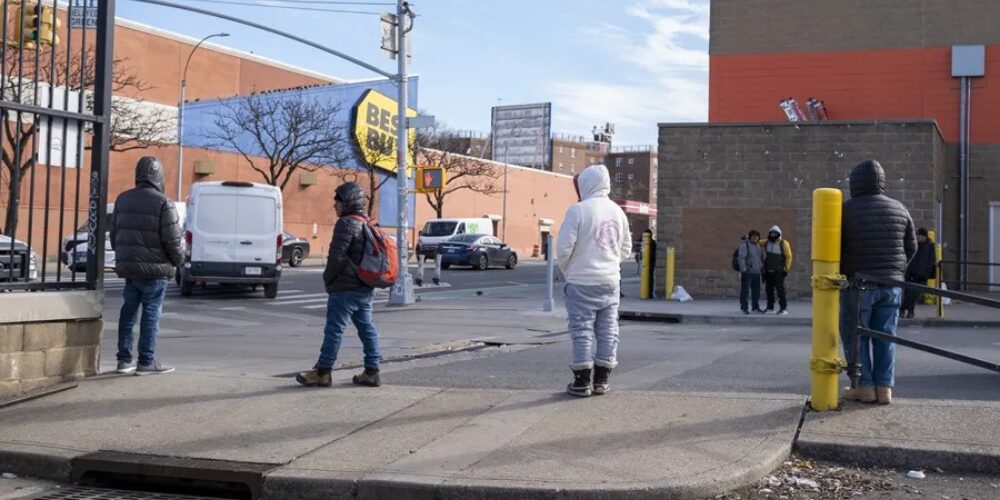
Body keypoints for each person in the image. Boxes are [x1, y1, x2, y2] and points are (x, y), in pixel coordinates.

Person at [840, 160, 916, 405]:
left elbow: (835, 249)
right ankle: (884, 388)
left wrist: (845, 272)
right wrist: (896, 271)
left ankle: (863, 386)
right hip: (892, 285)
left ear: (855, 183)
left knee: (856, 335)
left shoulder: (844, 210)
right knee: (886, 336)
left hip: (859, 284)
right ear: (880, 182)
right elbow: (911, 247)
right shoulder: (900, 208)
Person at [297, 183, 382, 388]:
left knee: (334, 330)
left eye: (338, 201)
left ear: (348, 202)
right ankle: (372, 371)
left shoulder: (346, 224)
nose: (335, 205)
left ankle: (323, 372)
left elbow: (336, 257)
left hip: (345, 288)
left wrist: (328, 279)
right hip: (364, 287)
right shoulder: (366, 223)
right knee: (367, 329)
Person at [557, 164, 632, 398]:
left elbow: (563, 249)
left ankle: (581, 382)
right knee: (609, 329)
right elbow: (626, 249)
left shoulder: (577, 210)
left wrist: (569, 270)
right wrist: (609, 262)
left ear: (586, 184)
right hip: (610, 281)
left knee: (582, 331)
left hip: (581, 281)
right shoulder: (618, 212)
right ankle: (602, 380)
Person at [110, 157, 184, 375]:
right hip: (155, 270)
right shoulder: (163, 202)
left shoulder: (122, 200)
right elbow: (172, 240)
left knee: (128, 312)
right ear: (158, 176)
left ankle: (124, 360)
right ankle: (146, 361)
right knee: (151, 313)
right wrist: (178, 262)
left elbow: (115, 236)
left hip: (130, 268)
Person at [901, 228, 936, 319]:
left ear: (924, 236)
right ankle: (910, 312)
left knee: (913, 294)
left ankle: (902, 308)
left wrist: (927, 273)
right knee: (908, 293)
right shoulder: (913, 244)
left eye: (919, 235)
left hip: (922, 276)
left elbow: (931, 260)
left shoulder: (930, 246)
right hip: (910, 274)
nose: (917, 237)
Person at [762, 225, 793, 315]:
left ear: (778, 234)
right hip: (768, 270)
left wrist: (786, 268)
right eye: (771, 233)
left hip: (779, 270)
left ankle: (783, 308)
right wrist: (747, 238)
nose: (773, 235)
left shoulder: (783, 243)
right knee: (769, 290)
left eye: (775, 233)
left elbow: (788, 257)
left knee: (780, 290)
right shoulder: (767, 242)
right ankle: (770, 308)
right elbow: (757, 242)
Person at [738, 230, 765, 314]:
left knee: (756, 291)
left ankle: (755, 307)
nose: (755, 238)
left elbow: (760, 258)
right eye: (753, 237)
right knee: (745, 291)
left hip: (757, 272)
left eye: (757, 237)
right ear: (750, 237)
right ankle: (744, 308)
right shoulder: (744, 245)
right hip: (748, 272)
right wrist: (744, 270)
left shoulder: (758, 246)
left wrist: (761, 267)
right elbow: (741, 258)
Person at [642, 228, 658, 297]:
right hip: (650, 262)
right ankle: (648, 293)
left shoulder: (650, 243)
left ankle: (648, 293)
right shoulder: (652, 243)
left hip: (650, 262)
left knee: (649, 278)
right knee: (650, 278)